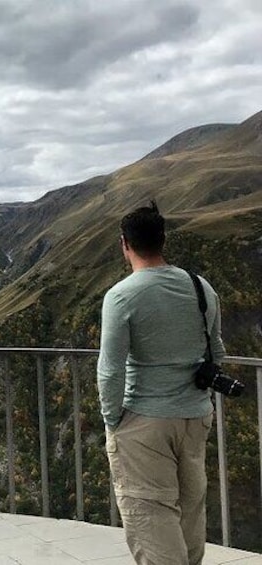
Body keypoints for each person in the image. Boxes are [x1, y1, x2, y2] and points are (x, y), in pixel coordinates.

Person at [97, 202, 225, 565]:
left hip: (144, 420)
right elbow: (217, 350)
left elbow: (110, 369)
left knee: (150, 516)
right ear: (163, 239)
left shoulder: (121, 296)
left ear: (125, 244)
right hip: (196, 415)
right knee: (190, 511)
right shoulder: (202, 288)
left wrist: (113, 421)